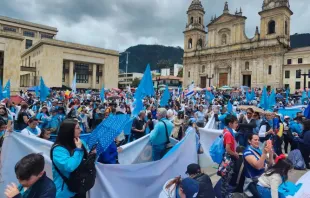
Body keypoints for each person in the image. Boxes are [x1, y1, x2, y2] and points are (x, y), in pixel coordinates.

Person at [50, 120, 90, 198]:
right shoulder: (58, 149)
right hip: (65, 191)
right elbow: (69, 166)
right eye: (78, 128)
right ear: (69, 131)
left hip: (80, 186)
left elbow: (87, 159)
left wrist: (92, 155)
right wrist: (78, 150)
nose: (81, 130)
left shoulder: (80, 142)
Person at [220, 114, 239, 198]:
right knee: (227, 178)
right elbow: (228, 149)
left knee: (226, 177)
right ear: (230, 124)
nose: (237, 124)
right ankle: (224, 195)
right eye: (235, 123)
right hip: (229, 159)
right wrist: (235, 154)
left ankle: (224, 193)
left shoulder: (226, 130)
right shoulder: (228, 134)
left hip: (227, 157)